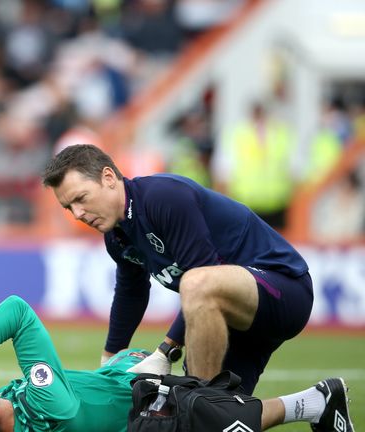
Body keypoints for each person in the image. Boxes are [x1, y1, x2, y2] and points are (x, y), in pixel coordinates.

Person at [40, 144, 313, 395]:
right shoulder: (116, 235)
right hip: (232, 319)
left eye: (81, 198)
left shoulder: (164, 197)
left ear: (109, 178)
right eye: (68, 207)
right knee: (212, 419)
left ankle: (200, 399)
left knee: (196, 284)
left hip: (283, 289)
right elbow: (131, 292)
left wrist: (165, 351)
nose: (77, 214)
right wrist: (108, 363)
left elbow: (203, 274)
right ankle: (314, 403)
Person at [0, 295, 352, 432]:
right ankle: (319, 399)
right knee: (229, 416)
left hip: (121, 375)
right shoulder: (47, 406)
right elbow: (17, 311)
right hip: (155, 405)